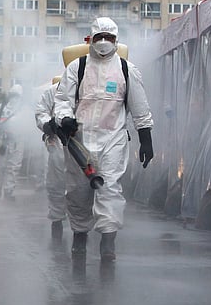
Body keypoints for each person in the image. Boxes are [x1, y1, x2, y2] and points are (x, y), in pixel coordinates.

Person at [54, 17, 153, 261]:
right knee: (78, 191)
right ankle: (80, 235)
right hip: (80, 140)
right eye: (100, 37)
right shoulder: (77, 67)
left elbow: (139, 107)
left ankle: (108, 242)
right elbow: (63, 100)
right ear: (91, 39)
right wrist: (65, 118)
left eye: (109, 38)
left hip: (113, 139)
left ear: (116, 41)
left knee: (109, 189)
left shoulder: (127, 70)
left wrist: (146, 138)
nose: (104, 42)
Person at [34, 82, 67, 238]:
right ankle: (57, 219)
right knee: (56, 184)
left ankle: (82, 229)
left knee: (83, 187)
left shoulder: (96, 88)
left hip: (88, 144)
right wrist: (48, 125)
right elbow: (41, 112)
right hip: (59, 144)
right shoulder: (53, 91)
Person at [0, 84, 26, 201]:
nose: (15, 98)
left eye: (17, 96)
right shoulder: (2, 107)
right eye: (13, 95)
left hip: (17, 141)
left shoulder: (23, 110)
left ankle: (9, 191)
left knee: (13, 167)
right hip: (1, 140)